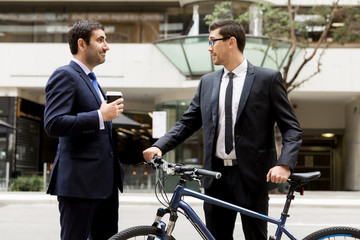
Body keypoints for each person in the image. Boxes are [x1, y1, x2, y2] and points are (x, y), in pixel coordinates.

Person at [143, 20, 302, 240]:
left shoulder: (267, 79)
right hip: (215, 176)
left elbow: (291, 128)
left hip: (252, 176)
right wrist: (159, 145)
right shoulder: (207, 82)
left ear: (231, 42)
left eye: (212, 41)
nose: (209, 48)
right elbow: (188, 122)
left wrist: (284, 164)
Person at [44, 20, 124, 240]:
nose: (106, 46)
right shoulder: (65, 75)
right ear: (82, 44)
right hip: (79, 185)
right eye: (100, 40)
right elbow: (53, 123)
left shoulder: (93, 81)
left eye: (105, 40)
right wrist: (100, 116)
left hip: (104, 185)